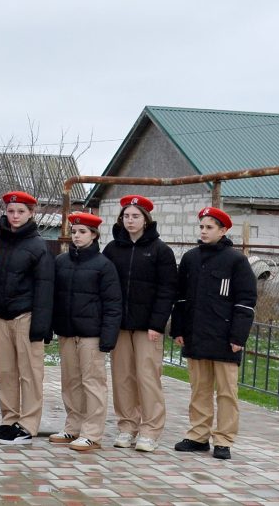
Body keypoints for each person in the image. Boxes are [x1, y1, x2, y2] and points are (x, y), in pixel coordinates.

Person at [171, 206, 257, 461]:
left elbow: (245, 301)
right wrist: (178, 329)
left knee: (227, 393)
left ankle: (223, 440)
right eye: (202, 227)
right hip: (196, 335)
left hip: (224, 338)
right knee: (199, 389)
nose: (204, 231)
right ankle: (198, 436)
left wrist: (238, 337)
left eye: (209, 227)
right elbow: (182, 298)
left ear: (223, 230)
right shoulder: (190, 258)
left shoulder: (236, 260)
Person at [103, 194, 177, 452]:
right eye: (126, 216)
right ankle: (126, 425)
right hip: (120, 325)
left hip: (148, 327)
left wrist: (157, 323)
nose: (130, 220)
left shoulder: (160, 251)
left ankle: (150, 429)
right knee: (123, 377)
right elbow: (106, 286)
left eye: (136, 216)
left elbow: (167, 290)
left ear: (146, 220)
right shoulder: (112, 250)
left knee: (147, 377)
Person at [49, 212, 121, 453]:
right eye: (74, 232)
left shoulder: (103, 266)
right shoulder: (60, 262)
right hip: (67, 332)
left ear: (94, 235)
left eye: (82, 232)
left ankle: (92, 434)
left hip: (91, 334)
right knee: (70, 382)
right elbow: (54, 299)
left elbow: (112, 304)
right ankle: (73, 427)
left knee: (93, 383)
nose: (77, 236)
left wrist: (108, 337)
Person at [0, 190, 54, 446]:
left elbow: (45, 288)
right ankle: (8, 419)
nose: (15, 216)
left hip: (26, 316)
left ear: (31, 213)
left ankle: (27, 424)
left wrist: (41, 327)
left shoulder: (39, 246)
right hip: (1, 316)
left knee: (30, 374)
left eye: (21, 212)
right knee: (5, 372)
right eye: (11, 211)